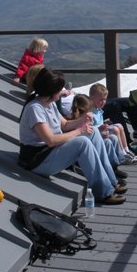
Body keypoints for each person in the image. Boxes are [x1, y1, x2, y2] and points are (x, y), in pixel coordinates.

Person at [18, 67, 126, 204]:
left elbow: (64, 125)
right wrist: (79, 132)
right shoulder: (35, 108)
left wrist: (83, 120)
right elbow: (50, 140)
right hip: (37, 160)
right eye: (60, 89)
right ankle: (103, 192)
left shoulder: (48, 104)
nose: (62, 92)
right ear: (52, 91)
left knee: (92, 134)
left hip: (49, 152)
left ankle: (111, 181)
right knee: (82, 142)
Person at [70, 93, 130, 170]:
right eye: (89, 110)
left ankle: (117, 163)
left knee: (113, 138)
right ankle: (110, 167)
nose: (91, 113)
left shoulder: (87, 118)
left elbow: (93, 131)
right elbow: (86, 135)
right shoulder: (78, 120)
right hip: (88, 144)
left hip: (94, 138)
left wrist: (101, 131)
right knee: (108, 141)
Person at [89, 83, 137, 163]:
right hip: (97, 134)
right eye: (100, 100)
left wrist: (106, 123)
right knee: (115, 129)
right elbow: (91, 128)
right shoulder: (90, 113)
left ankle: (126, 150)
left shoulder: (98, 110)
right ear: (91, 99)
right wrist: (101, 128)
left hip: (102, 130)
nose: (103, 102)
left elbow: (100, 122)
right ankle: (122, 154)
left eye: (105, 99)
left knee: (119, 125)